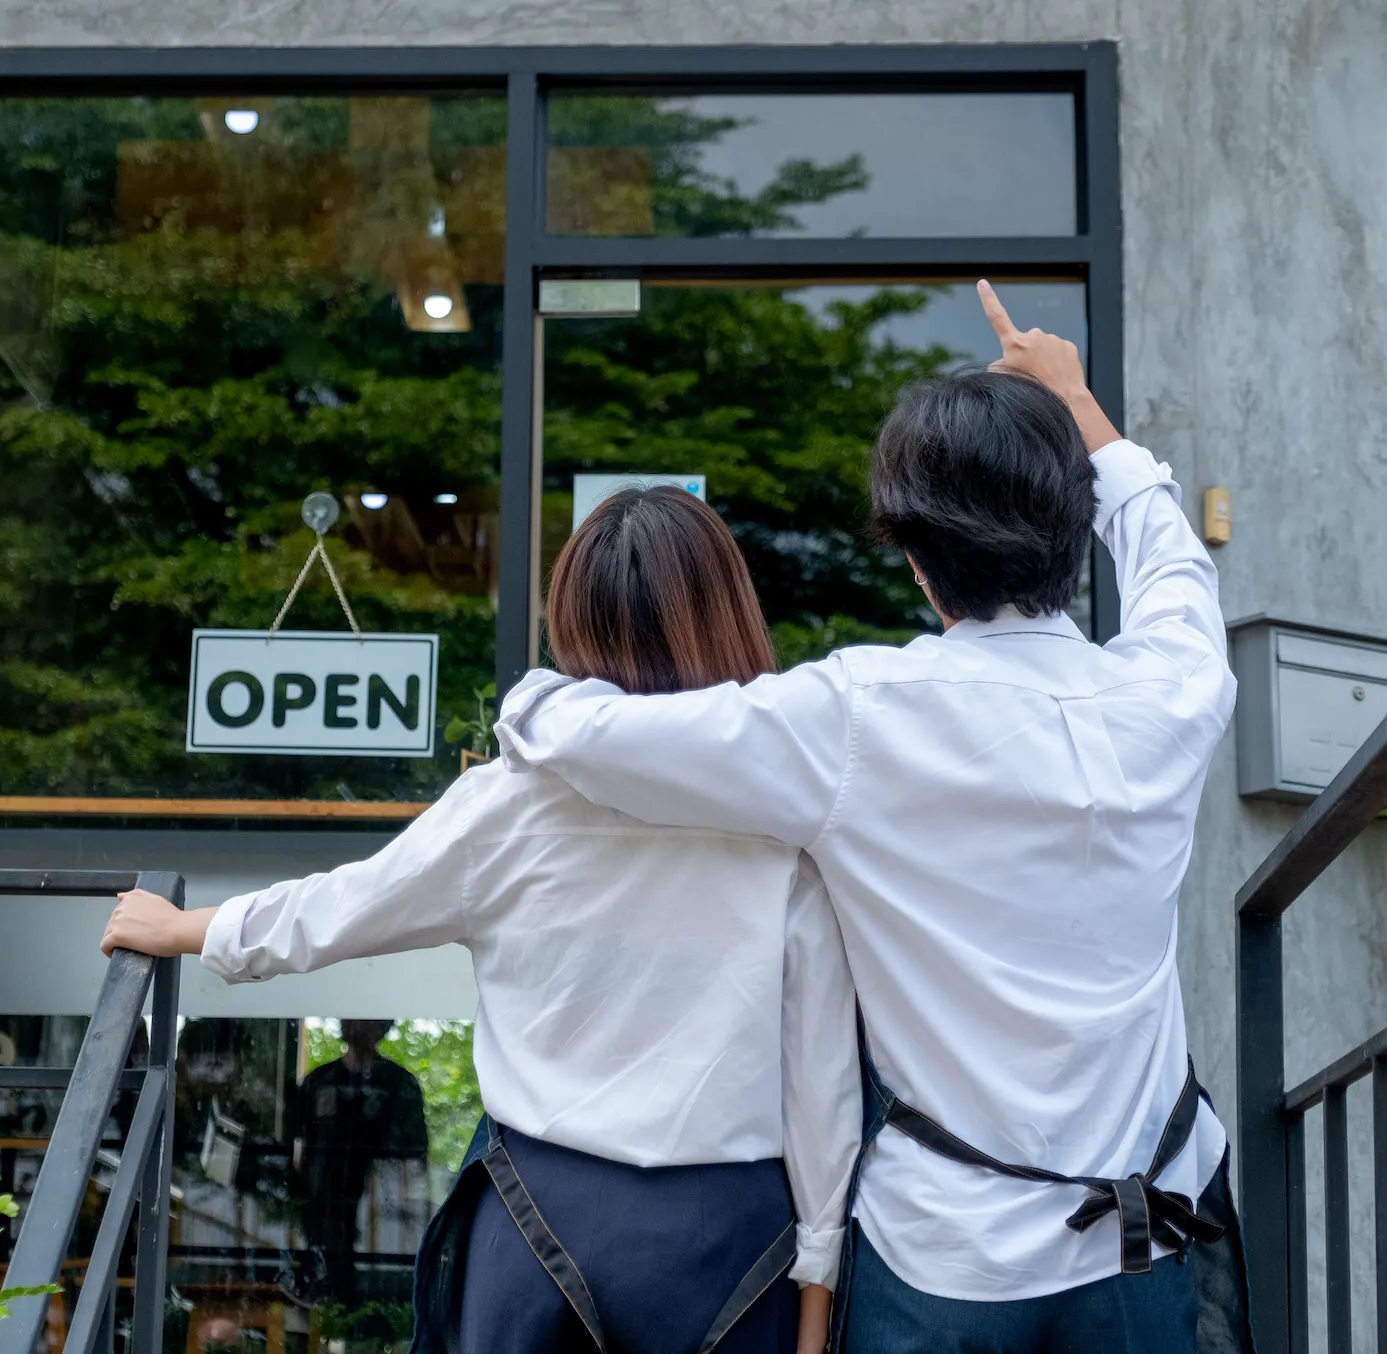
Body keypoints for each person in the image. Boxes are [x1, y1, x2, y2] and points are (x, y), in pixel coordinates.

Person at [492, 283, 1250, 1354]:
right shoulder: (1171, 689)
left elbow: (587, 740)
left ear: (913, 555)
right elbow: (1172, 555)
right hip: (1143, 1249)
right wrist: (1079, 403)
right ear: (1075, 535)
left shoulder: (854, 717)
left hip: (944, 1259)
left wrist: (528, 698)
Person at [101, 486, 861, 1354]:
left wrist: (192, 928)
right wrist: (816, 1293)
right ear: (727, 611)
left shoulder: (510, 801)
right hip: (729, 1240)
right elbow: (822, 1080)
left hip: (537, 1222)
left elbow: (345, 906)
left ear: (575, 619)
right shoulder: (788, 818)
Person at [292, 1018, 429, 1306]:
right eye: (348, 1017)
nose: (353, 1024)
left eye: (364, 1018)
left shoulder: (398, 1083)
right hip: (325, 1208)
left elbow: (415, 1159)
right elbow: (300, 1150)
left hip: (381, 1209)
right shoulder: (320, 1081)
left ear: (381, 1026)